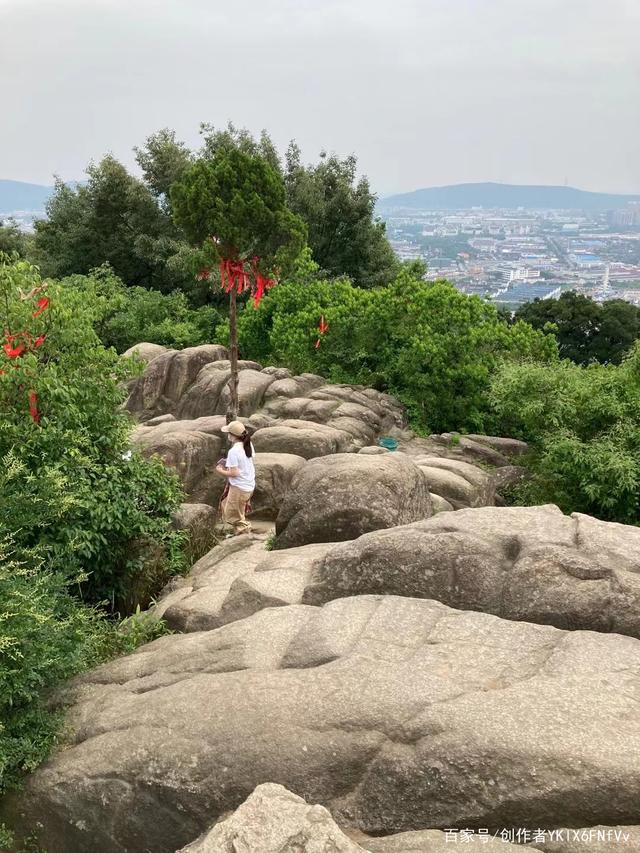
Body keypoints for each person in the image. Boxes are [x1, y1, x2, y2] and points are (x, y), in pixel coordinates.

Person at [216, 420, 255, 535]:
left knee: (234, 516)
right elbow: (246, 460)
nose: (227, 435)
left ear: (232, 435)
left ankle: (244, 534)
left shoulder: (233, 451)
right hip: (248, 484)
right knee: (228, 505)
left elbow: (235, 473)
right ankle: (240, 531)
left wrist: (220, 470)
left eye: (229, 433)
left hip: (240, 487)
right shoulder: (248, 444)